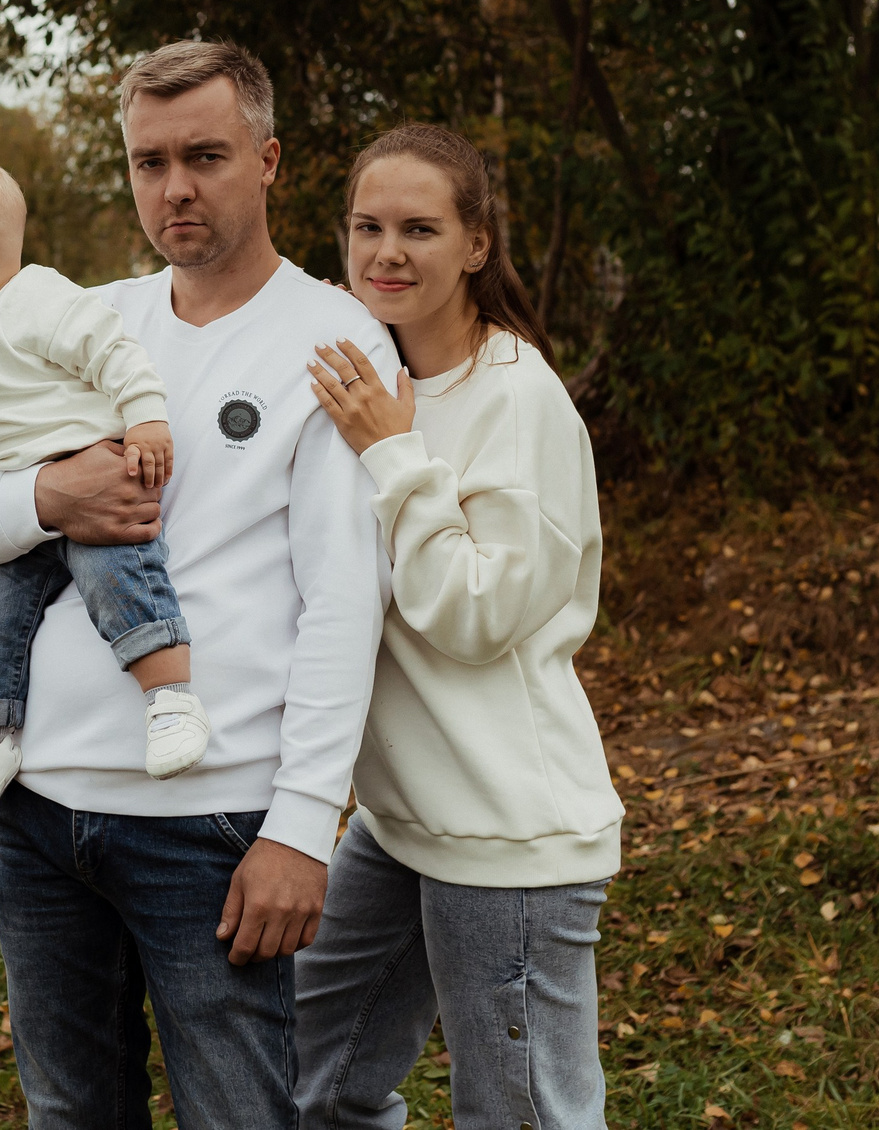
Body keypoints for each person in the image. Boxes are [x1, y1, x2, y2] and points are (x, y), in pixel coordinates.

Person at [0, 41, 396, 1127]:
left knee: (237, 1115)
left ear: (267, 160)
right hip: (37, 809)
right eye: (148, 159)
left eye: (205, 155)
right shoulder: (85, 315)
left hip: (208, 820)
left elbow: (344, 600)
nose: (174, 187)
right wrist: (49, 496)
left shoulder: (336, 338)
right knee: (70, 1111)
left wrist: (304, 822)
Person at [294, 123, 622, 1130]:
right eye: (367, 225)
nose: (386, 250)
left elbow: (477, 615)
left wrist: (396, 460)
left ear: (476, 242)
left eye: (419, 227)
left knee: (521, 1116)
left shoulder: (513, 394)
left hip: (506, 829)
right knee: (313, 1077)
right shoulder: (367, 380)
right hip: (402, 824)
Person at [0, 148, 212, 830]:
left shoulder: (40, 301)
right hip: (22, 502)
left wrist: (146, 418)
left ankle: (171, 699)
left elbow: (116, 354)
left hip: (91, 471)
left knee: (121, 578)